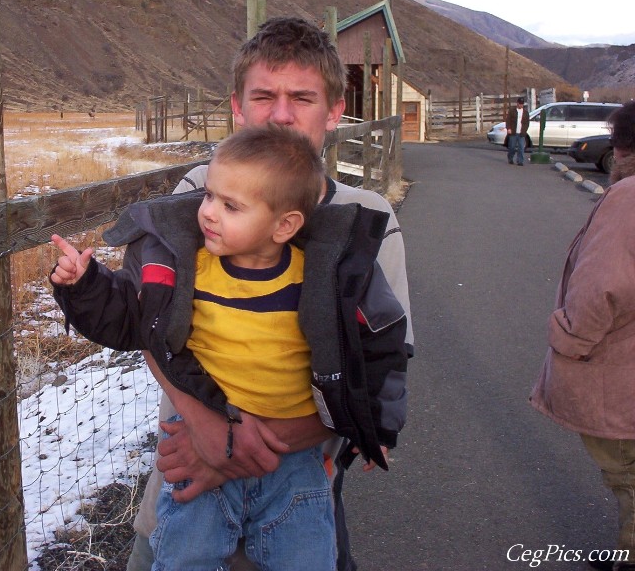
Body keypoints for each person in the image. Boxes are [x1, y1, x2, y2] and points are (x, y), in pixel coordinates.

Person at [125, 16, 414, 571]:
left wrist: (230, 454)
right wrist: (207, 429)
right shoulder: (199, 197)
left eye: (302, 98)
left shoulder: (369, 221)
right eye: (264, 95)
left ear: (333, 110)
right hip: (186, 485)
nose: (281, 113)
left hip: (300, 495)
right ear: (237, 106)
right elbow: (150, 326)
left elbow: (378, 367)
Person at [49, 124, 409, 570]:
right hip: (200, 450)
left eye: (231, 205)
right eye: (209, 196)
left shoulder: (326, 277)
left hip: (296, 465)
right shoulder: (186, 268)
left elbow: (379, 348)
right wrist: (84, 286)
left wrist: (375, 427)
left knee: (307, 559)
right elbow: (134, 320)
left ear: (284, 225)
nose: (209, 214)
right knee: (183, 559)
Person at [530, 101, 635, 571]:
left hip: (621, 374)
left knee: (628, 472)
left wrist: (568, 340)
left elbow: (601, 286)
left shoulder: (629, 198)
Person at [506, 97, 530, 166]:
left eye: (522, 104)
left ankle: (520, 161)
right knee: (512, 147)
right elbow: (508, 120)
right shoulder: (512, 111)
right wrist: (508, 128)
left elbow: (527, 123)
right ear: (517, 103)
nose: (521, 105)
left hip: (521, 133)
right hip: (513, 132)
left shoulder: (525, 113)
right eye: (519, 104)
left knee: (521, 147)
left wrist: (524, 131)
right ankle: (510, 158)